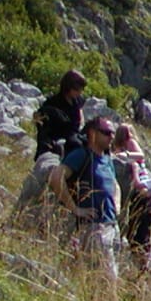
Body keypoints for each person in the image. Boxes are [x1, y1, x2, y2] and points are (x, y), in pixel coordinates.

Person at [49, 116, 121, 282]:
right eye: (106, 133)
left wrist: (116, 204)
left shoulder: (107, 159)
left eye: (113, 133)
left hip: (111, 224)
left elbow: (115, 185)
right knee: (108, 278)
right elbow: (56, 177)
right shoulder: (81, 155)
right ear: (92, 133)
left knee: (105, 275)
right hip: (94, 226)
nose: (111, 137)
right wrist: (75, 209)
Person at [11, 69, 87, 222]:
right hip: (54, 147)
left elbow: (79, 121)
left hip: (72, 143)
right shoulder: (52, 104)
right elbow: (44, 130)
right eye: (77, 89)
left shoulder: (77, 102)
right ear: (69, 87)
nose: (79, 93)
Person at [111, 123, 151, 265]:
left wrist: (126, 155)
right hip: (136, 187)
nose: (128, 135)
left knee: (140, 225)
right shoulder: (118, 146)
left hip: (141, 185)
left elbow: (140, 156)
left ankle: (142, 260)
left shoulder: (130, 143)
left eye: (129, 132)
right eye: (126, 132)